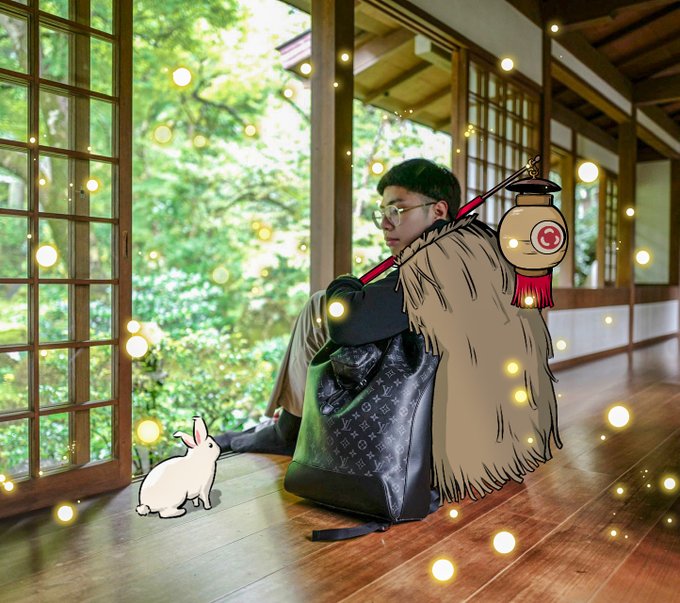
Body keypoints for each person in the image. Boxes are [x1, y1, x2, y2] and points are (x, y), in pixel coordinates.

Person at [215, 158, 461, 455]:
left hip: (417, 423)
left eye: (397, 211)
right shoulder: (460, 254)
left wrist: (342, 285)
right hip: (432, 407)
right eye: (383, 213)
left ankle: (289, 430)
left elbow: (349, 324)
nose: (386, 224)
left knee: (322, 307)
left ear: (438, 211)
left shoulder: (437, 264)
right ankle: (285, 423)